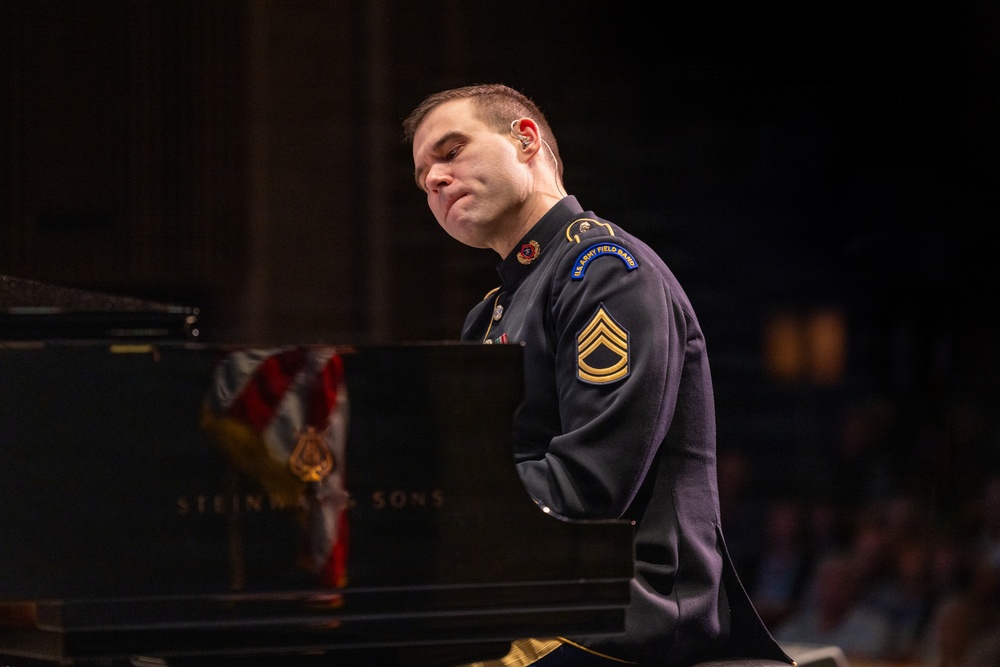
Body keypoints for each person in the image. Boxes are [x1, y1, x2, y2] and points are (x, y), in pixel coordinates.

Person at [403, 84, 791, 667]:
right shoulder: (490, 314)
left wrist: (438, 520)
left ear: (525, 140)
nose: (434, 178)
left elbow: (592, 484)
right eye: (423, 174)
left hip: (624, 609)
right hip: (534, 595)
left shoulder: (604, 270)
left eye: (451, 150)